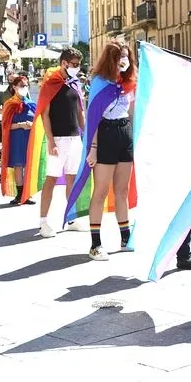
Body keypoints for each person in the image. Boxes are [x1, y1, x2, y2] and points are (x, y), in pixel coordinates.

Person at [76, 42, 138, 261]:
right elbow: (93, 118)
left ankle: (125, 238)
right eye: (121, 56)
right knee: (101, 191)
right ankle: (95, 244)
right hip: (105, 136)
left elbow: (132, 113)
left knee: (122, 190)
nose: (125, 60)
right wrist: (92, 149)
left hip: (125, 134)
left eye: (127, 57)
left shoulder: (129, 83)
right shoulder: (99, 83)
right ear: (111, 59)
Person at [26, 48, 86, 237]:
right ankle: (43, 222)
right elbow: (45, 115)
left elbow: (80, 111)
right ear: (64, 63)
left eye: (78, 64)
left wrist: (86, 134)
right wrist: (51, 141)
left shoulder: (76, 83)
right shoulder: (50, 84)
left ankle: (71, 217)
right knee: (51, 180)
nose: (77, 68)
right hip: (57, 139)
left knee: (71, 178)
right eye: (74, 64)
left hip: (74, 138)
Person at [1, 75, 36, 206]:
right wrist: (21, 125)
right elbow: (5, 126)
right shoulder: (9, 104)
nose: (24, 88)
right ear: (14, 87)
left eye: (26, 86)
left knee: (28, 166)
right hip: (15, 140)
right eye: (21, 86)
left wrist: (32, 125)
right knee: (18, 166)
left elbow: (39, 122)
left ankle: (27, 194)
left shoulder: (32, 104)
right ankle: (20, 194)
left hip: (29, 139)